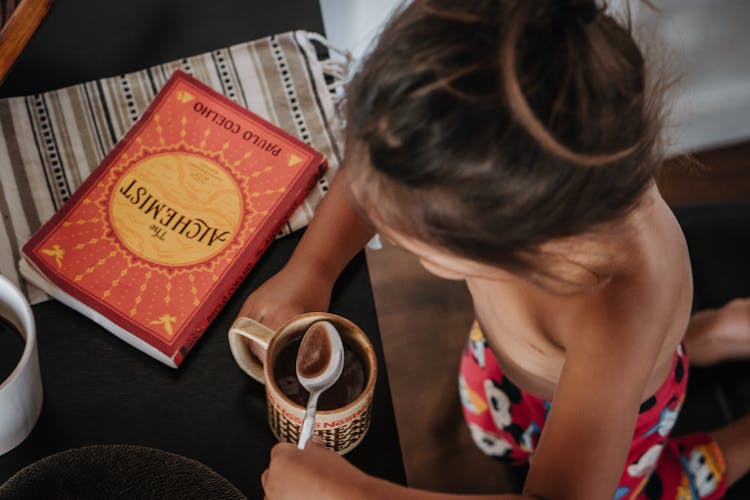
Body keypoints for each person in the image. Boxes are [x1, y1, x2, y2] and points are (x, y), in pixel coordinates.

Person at [241, 1, 750, 498]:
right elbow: (384, 164)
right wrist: (314, 267)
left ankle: (735, 438)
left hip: (622, 417)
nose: (387, 236)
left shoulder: (618, 317)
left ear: (517, 249)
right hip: (513, 370)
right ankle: (703, 335)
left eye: (417, 245)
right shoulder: (498, 132)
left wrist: (351, 494)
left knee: (675, 486)